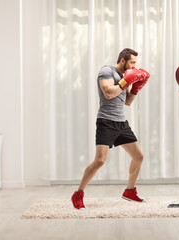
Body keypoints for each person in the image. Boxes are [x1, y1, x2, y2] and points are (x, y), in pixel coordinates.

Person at [71, 48, 150, 210]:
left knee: (138, 156)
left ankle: (129, 191)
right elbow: (108, 93)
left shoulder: (124, 76)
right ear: (123, 61)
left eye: (136, 63)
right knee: (100, 161)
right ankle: (78, 194)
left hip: (121, 123)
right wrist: (125, 81)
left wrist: (136, 88)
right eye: (132, 62)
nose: (135, 66)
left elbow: (127, 102)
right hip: (106, 122)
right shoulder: (106, 71)